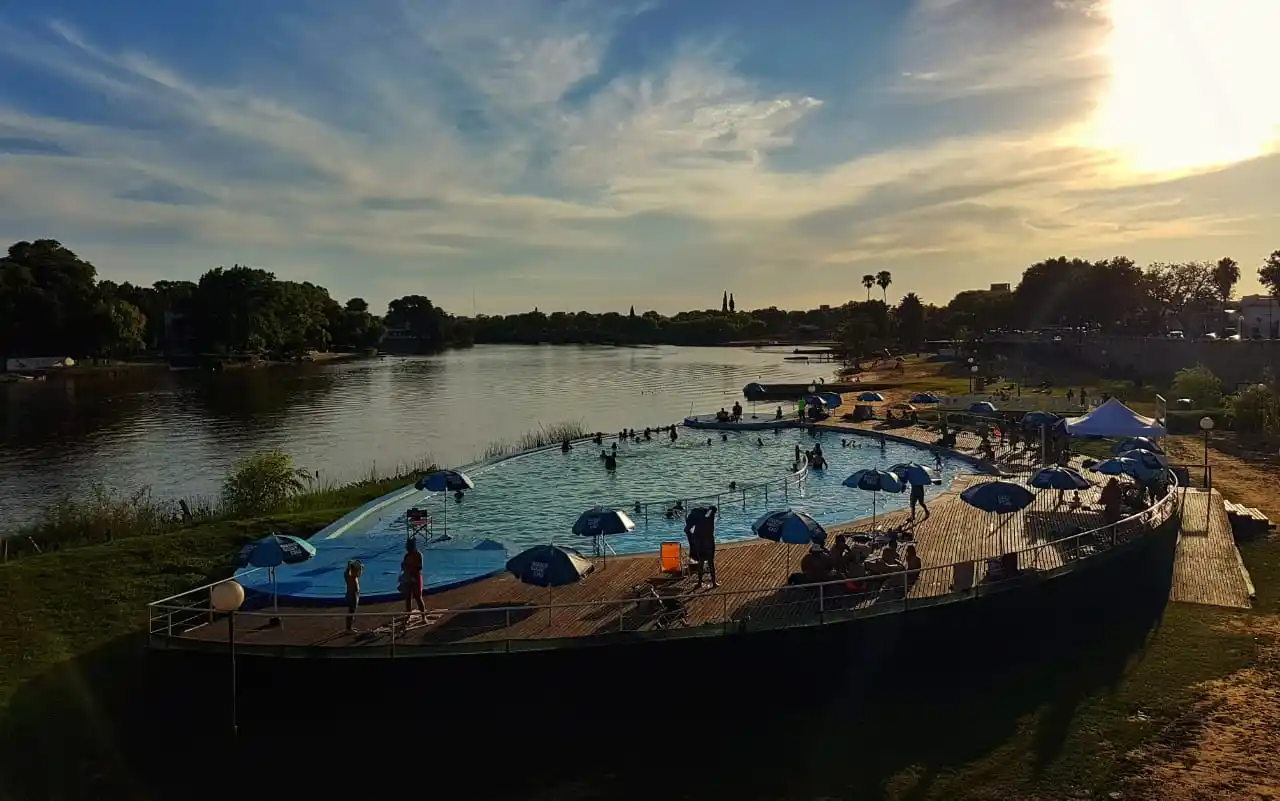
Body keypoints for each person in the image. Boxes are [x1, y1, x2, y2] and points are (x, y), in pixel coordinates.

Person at [685, 506, 719, 588]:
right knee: (710, 563)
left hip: (701, 545)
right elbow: (714, 509)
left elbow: (687, 530)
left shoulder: (699, 523)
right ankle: (713, 582)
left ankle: (700, 583)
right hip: (708, 544)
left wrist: (692, 537)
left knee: (701, 563)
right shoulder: (709, 520)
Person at [401, 538, 427, 622]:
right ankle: (408, 615)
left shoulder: (418, 554)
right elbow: (403, 566)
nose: (407, 548)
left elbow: (420, 567)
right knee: (407, 597)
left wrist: (410, 567)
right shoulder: (407, 555)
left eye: (409, 546)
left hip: (416, 578)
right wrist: (404, 567)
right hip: (408, 577)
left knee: (418, 597)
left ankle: (423, 616)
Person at [344, 559, 363, 633]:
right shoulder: (350, 577)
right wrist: (349, 565)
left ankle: (349, 627)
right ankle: (348, 628)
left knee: (352, 611)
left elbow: (359, 573)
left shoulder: (354, 576)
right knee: (351, 611)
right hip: (352, 595)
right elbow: (346, 573)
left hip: (355, 594)